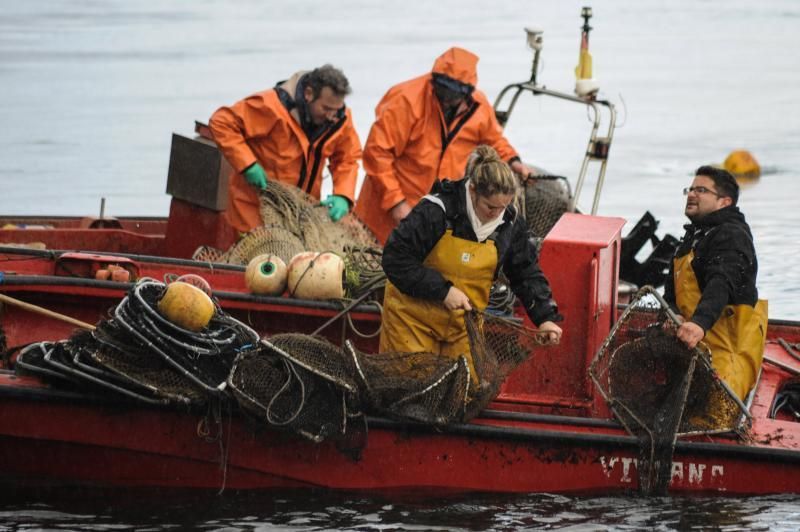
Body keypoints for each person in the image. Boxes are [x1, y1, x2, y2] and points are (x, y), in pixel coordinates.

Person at [380, 145, 562, 386]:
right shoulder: (436, 210)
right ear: (473, 190)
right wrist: (443, 291)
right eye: (490, 207)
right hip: (411, 321)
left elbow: (525, 271)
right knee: (411, 387)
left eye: (502, 207)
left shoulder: (509, 222)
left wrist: (545, 317)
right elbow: (395, 258)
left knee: (462, 389)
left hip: (462, 327)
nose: (495, 214)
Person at [354, 47, 537, 244]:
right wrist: (396, 204)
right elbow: (377, 154)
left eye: (452, 93)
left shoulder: (479, 107)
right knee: (372, 268)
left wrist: (514, 162)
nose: (445, 97)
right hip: (384, 215)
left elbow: (495, 140)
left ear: (467, 92)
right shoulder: (406, 99)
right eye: (441, 88)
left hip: (436, 214)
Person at [209, 65, 362, 233]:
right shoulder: (271, 106)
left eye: (336, 109)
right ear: (309, 94)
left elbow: (347, 158)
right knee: (260, 256)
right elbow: (222, 122)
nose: (330, 116)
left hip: (301, 213)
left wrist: (343, 195)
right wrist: (248, 165)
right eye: (325, 108)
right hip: (255, 210)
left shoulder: (340, 119)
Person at [664, 165, 768, 400]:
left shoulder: (732, 235)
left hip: (726, 357)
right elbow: (670, 293)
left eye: (701, 190)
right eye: (690, 189)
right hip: (691, 350)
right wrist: (673, 314)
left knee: (714, 415)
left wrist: (699, 323)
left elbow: (721, 283)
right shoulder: (692, 238)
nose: (691, 194)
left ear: (724, 202)